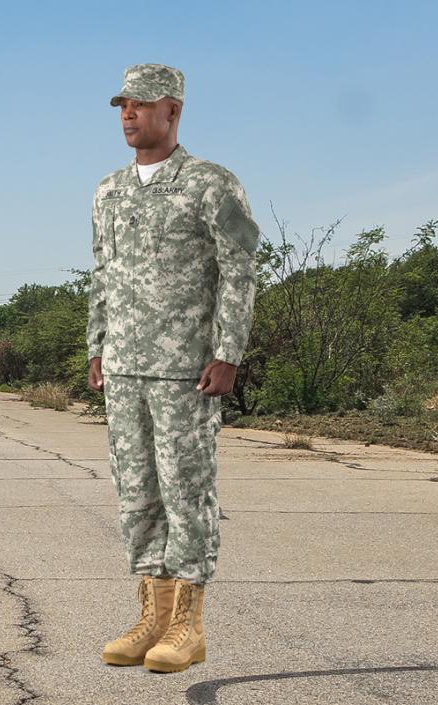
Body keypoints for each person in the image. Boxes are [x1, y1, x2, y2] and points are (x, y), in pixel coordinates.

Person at [86, 63, 260, 673]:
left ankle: (188, 623)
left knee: (187, 492)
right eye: (122, 105)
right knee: (136, 495)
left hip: (188, 367)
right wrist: (96, 346)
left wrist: (228, 352)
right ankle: (151, 616)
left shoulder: (213, 184)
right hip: (126, 366)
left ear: (174, 111)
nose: (128, 114)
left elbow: (239, 269)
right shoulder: (109, 190)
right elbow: (102, 274)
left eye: (141, 103)